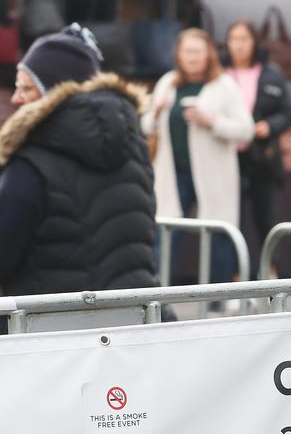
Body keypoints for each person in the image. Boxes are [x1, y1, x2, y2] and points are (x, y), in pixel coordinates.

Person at [0, 26, 155, 318]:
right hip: (131, 320)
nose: (16, 99)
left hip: (50, 328)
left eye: (26, 88)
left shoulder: (33, 158)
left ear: (55, 92)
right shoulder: (134, 146)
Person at [145, 29, 254, 283]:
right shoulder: (168, 83)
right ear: (178, 55)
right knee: (167, 233)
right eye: (187, 52)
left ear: (209, 55)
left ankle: (218, 300)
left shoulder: (224, 85)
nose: (192, 58)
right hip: (173, 175)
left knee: (217, 234)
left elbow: (246, 130)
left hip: (213, 176)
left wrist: (211, 121)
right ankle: (158, 297)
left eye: (197, 52)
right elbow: (145, 125)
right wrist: (156, 112)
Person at [223, 20, 291, 273]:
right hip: (228, 157)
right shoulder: (220, 73)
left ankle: (270, 275)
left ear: (254, 42)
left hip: (262, 158)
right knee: (232, 221)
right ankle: (234, 278)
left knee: (266, 219)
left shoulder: (270, 73)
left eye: (244, 39)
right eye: (234, 39)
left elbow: (289, 112)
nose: (239, 45)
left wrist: (270, 125)